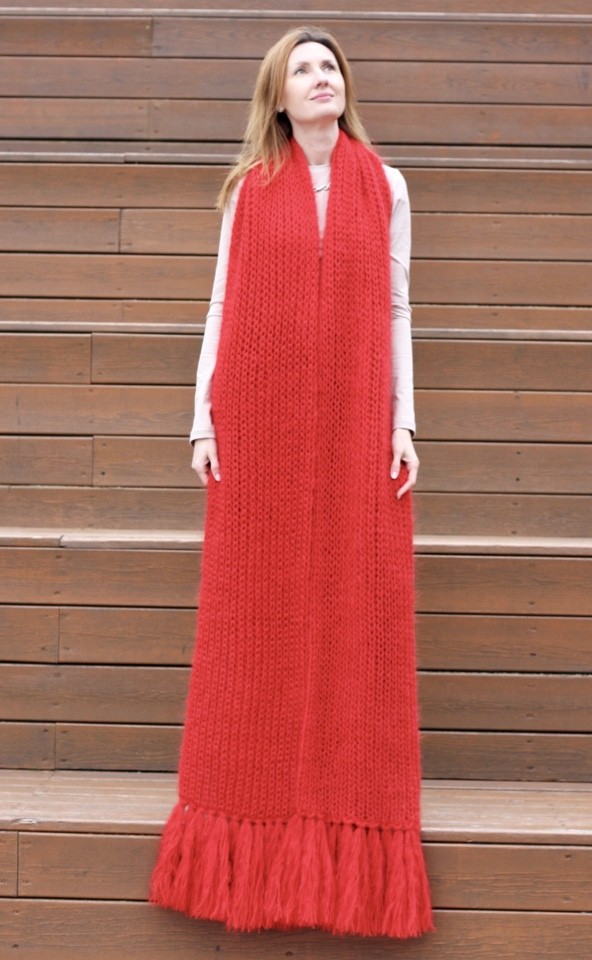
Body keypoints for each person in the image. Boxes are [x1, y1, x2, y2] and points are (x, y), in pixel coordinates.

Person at [149, 25, 434, 940]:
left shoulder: (384, 186)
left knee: (359, 606)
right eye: (302, 69)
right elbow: (222, 302)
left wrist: (402, 420)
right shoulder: (249, 188)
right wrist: (202, 418)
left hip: (355, 421)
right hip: (259, 426)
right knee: (251, 612)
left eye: (329, 66)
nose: (320, 78)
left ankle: (345, 821)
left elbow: (396, 307)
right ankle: (242, 810)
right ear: (277, 97)